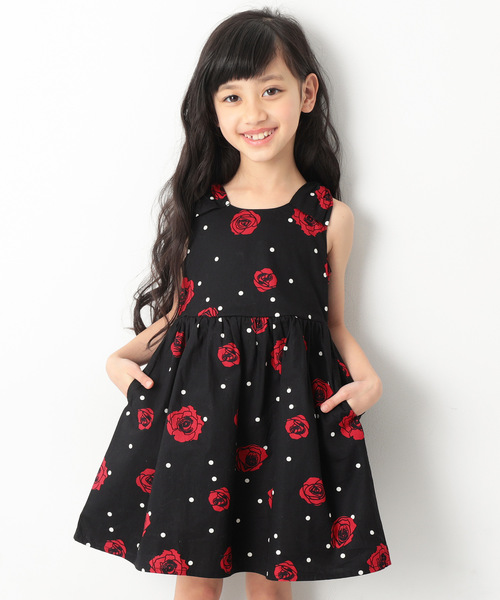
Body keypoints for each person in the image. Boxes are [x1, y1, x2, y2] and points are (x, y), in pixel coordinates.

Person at [73, 7, 391, 600]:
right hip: (202, 415)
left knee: (273, 583)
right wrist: (119, 358)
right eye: (232, 97)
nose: (253, 113)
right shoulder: (199, 209)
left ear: (306, 93)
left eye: (271, 90)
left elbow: (333, 323)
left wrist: (369, 379)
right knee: (195, 578)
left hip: (288, 416)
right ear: (213, 109)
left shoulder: (330, 217)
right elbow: (182, 316)